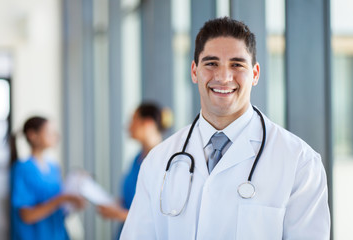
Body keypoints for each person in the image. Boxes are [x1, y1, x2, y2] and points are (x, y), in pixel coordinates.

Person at [120, 17, 330, 239]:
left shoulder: (300, 162)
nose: (223, 77)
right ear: (194, 71)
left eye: (237, 64)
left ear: (255, 74)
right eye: (211, 63)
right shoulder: (158, 161)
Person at [97, 103, 169, 239]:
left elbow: (161, 215)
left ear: (147, 123)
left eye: (133, 120)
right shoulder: (137, 158)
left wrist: (118, 214)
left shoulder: (164, 160)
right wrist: (114, 205)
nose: (128, 126)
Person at [10, 116, 85, 240]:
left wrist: (73, 202)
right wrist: (61, 199)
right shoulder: (22, 169)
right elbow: (26, 216)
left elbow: (57, 210)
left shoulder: (54, 167)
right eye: (50, 132)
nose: (56, 136)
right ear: (32, 135)